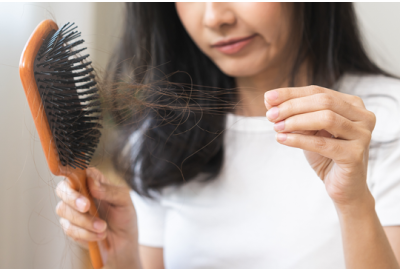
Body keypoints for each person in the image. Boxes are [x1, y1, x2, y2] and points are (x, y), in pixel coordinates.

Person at [55, 3, 400, 268]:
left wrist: (354, 203)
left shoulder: (384, 117)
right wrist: (124, 258)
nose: (214, 17)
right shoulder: (160, 135)